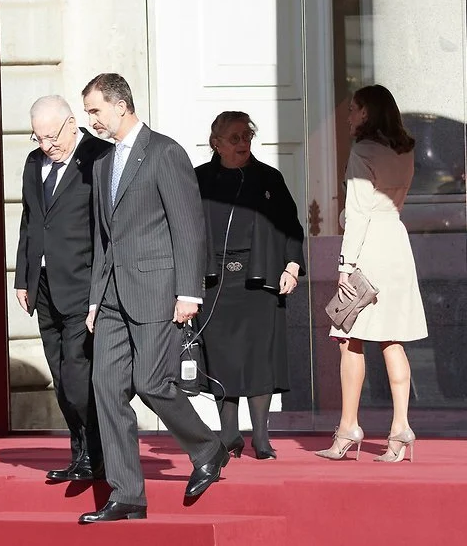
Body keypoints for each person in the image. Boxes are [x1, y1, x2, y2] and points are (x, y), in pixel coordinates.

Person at [79, 73, 229, 523]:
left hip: (157, 292)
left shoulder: (165, 152)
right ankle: (127, 495)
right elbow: (103, 239)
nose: (92, 119)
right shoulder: (103, 164)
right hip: (109, 299)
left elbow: (188, 227)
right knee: (106, 389)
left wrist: (189, 292)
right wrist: (92, 299)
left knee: (150, 383)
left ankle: (207, 447)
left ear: (120, 105)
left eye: (94, 110)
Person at [315, 84, 428, 463]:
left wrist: (345, 265)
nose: (348, 116)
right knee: (392, 339)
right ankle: (400, 427)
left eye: (354, 110)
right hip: (396, 241)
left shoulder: (363, 150)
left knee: (349, 336)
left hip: (370, 248)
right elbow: (387, 202)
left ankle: (348, 425)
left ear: (367, 113)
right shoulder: (404, 147)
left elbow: (360, 212)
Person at [195, 111, 305, 460]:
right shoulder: (196, 179)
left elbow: (292, 226)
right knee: (222, 357)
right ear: (216, 143)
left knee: (259, 359)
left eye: (247, 136)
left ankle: (261, 436)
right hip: (215, 282)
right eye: (235, 138)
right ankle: (228, 434)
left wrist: (292, 265)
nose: (243, 143)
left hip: (259, 281)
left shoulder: (269, 178)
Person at [15, 95, 111, 480]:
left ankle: (99, 451)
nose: (46, 146)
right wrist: (22, 277)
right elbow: (30, 221)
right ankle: (81, 453)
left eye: (52, 137)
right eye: (37, 138)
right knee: (60, 375)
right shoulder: (34, 162)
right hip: (42, 288)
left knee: (78, 377)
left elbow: (108, 226)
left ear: (73, 124)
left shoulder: (99, 156)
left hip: (82, 285)